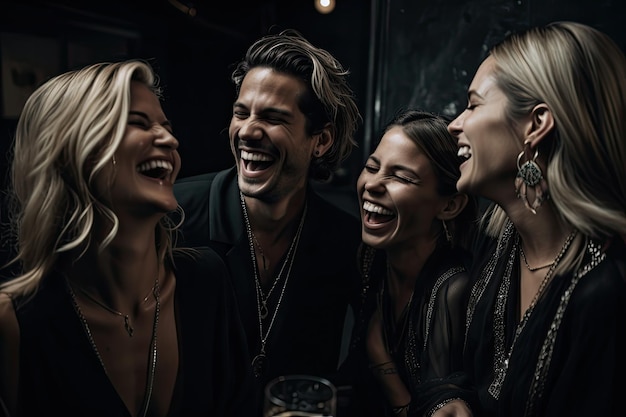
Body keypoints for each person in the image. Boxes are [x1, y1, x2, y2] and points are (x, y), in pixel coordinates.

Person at [0, 60, 254, 417]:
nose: (170, 139)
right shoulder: (14, 324)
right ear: (72, 151)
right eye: (137, 123)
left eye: (166, 126)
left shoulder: (207, 280)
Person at [428, 21, 626, 417]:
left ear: (536, 124)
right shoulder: (498, 240)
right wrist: (449, 400)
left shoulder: (607, 291)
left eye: (473, 105)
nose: (454, 124)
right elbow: (460, 375)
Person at [173, 29, 363, 415]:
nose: (247, 131)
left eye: (273, 118)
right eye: (241, 112)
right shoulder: (173, 215)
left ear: (321, 141)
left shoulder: (345, 241)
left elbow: (367, 357)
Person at [342, 110, 477, 417]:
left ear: (449, 205)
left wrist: (381, 359)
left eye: (401, 177)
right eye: (372, 167)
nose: (373, 184)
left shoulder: (453, 289)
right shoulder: (371, 257)